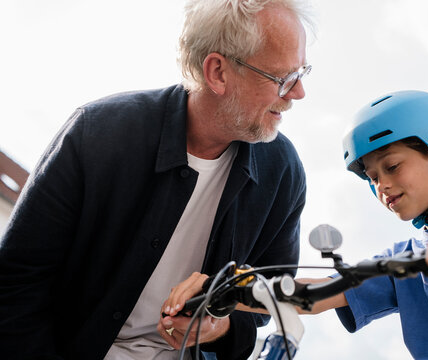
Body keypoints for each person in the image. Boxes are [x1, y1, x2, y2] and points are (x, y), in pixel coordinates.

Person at [0, 0, 314, 359]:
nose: (298, 93)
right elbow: (17, 284)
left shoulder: (284, 174)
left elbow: (267, 305)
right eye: (283, 79)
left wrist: (220, 326)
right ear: (218, 73)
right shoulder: (97, 132)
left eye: (302, 72)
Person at [164, 90, 428, 358]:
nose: (382, 186)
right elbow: (316, 295)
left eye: (391, 167)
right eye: (372, 178)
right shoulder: (403, 261)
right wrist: (226, 286)